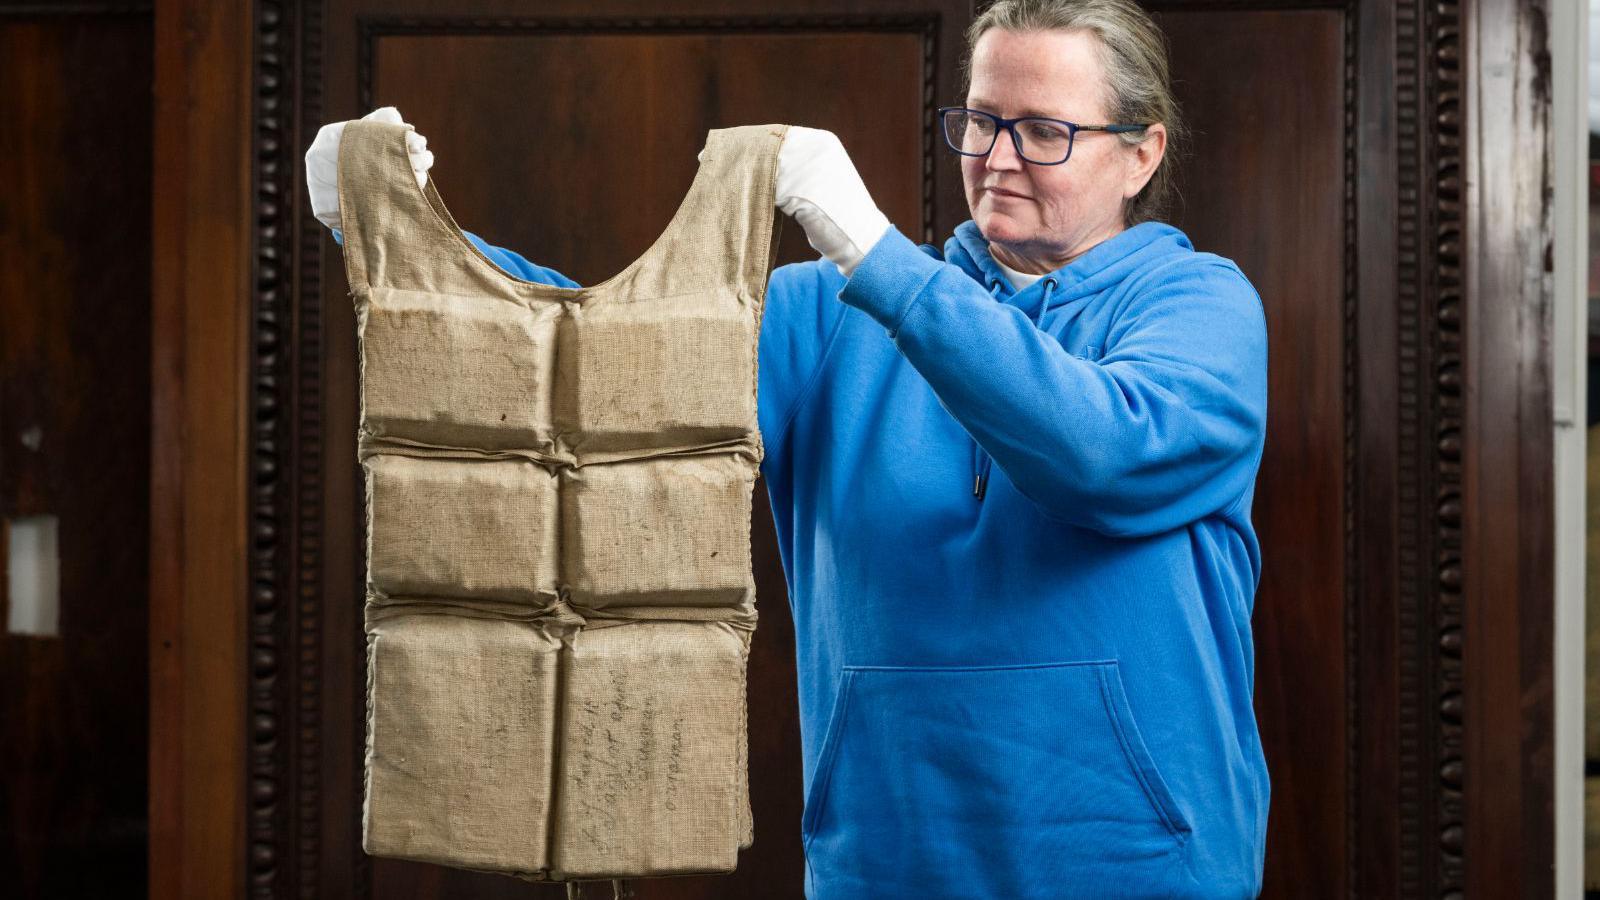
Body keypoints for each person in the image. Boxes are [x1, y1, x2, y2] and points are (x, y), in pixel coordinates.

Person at [306, 1, 1269, 895]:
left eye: (1043, 131)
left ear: (1142, 154)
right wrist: (400, 233)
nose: (997, 157)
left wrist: (878, 259)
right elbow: (589, 364)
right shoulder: (827, 312)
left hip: (1144, 864)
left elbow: (1102, 455)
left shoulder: (1198, 308)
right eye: (979, 121)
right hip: (885, 861)